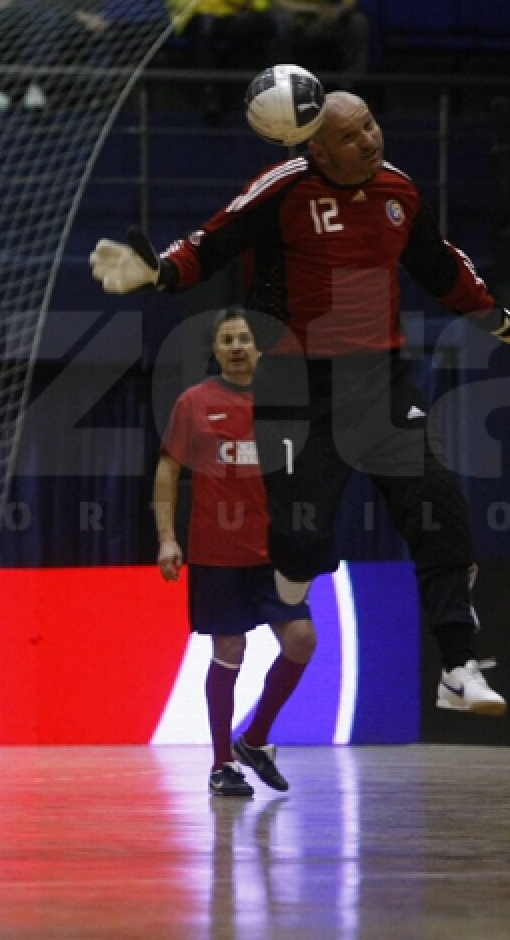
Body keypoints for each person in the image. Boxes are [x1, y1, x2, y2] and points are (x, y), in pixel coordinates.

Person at [91, 88, 510, 716]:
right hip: (294, 390)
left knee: (440, 507)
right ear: (316, 145)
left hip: (382, 382)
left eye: (370, 125)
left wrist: (506, 325)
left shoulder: (399, 192)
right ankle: (288, 583)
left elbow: (441, 266)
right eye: (351, 135)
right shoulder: (283, 188)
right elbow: (214, 240)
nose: (368, 140)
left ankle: (457, 664)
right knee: (301, 541)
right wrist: (161, 273)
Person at [154, 308, 317, 797]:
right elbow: (167, 473)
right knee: (229, 649)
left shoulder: (283, 405)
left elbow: (309, 475)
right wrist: (167, 537)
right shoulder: (195, 403)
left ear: (258, 348)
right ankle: (223, 763)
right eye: (228, 340)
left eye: (245, 338)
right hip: (217, 553)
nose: (238, 346)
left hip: (275, 554)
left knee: (302, 639)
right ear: (217, 350)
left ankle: (257, 738)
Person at [161, 0, 271, 121]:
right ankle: (209, 94)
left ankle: (259, 93)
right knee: (205, 24)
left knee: (262, 23)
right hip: (191, 22)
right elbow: (183, 0)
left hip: (225, 20)